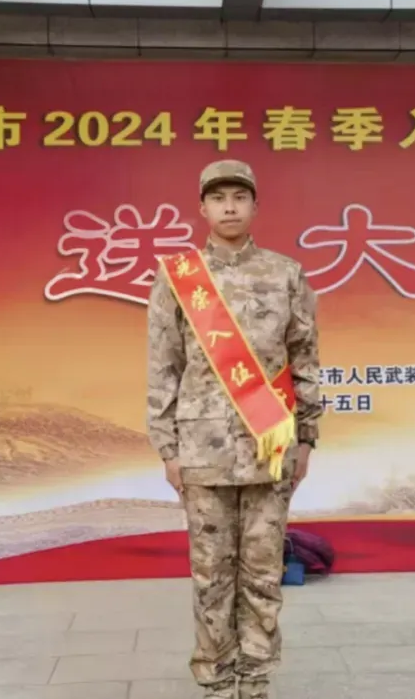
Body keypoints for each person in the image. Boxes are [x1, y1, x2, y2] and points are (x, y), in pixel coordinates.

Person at [146, 159, 322, 699]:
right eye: (218, 198)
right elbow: (163, 367)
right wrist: (168, 449)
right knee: (211, 575)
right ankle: (217, 681)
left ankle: (256, 679)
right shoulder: (178, 277)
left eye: (239, 197)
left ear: (255, 206)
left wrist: (306, 438)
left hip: (271, 446)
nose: (229, 207)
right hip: (203, 450)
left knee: (264, 572)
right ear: (202, 208)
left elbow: (304, 358)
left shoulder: (286, 273)